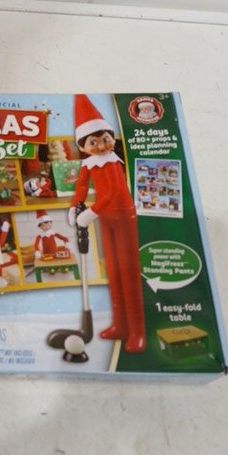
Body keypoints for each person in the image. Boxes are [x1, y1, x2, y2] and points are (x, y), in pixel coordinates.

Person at [69, 95, 146, 353]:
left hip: (123, 217)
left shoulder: (112, 162)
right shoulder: (89, 163)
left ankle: (137, 332)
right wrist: (74, 206)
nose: (101, 146)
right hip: (107, 219)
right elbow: (82, 186)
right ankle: (121, 325)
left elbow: (113, 192)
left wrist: (90, 212)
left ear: (112, 138)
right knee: (113, 272)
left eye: (105, 139)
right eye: (94, 142)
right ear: (84, 146)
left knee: (128, 274)